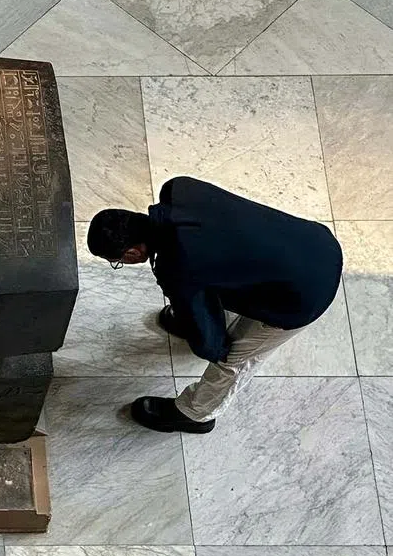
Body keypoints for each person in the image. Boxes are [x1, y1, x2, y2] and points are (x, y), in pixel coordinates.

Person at [87, 176, 343, 434]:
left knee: (233, 359)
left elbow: (208, 340)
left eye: (117, 261)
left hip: (305, 296)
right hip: (316, 242)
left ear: (132, 253)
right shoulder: (179, 189)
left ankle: (195, 414)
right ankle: (188, 319)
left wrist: (210, 341)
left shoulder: (177, 263)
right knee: (208, 281)